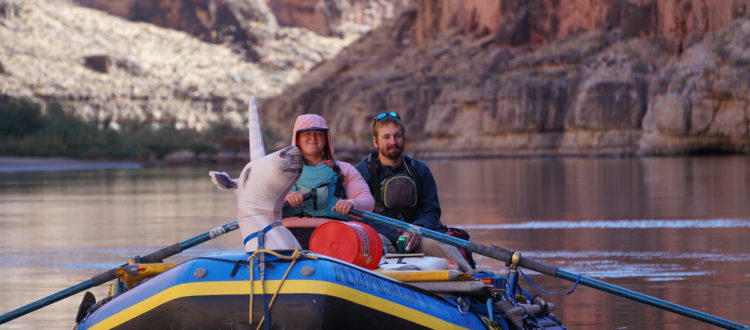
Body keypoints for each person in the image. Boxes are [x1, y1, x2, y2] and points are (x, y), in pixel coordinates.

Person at [355, 112, 475, 272]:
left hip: (417, 235)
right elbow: (360, 216)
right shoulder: (361, 173)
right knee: (377, 244)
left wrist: (416, 229)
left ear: (403, 138)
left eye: (397, 136)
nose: (393, 142)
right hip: (382, 237)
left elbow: (431, 211)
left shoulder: (420, 170)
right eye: (386, 137)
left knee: (435, 244)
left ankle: (471, 277)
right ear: (375, 142)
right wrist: (395, 236)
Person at [282, 114, 374, 247]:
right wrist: (285, 198)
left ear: (326, 139)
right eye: (307, 133)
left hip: (334, 237)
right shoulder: (282, 173)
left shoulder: (344, 170)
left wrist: (352, 203)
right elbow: (263, 202)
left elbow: (368, 202)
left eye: (318, 134)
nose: (312, 138)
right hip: (289, 237)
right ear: (297, 139)